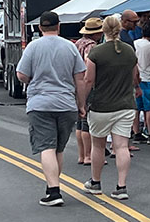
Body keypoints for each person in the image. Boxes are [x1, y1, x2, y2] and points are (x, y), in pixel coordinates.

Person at [16, 11, 86, 207]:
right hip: (66, 104)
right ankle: (51, 185)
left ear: (40, 27)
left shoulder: (33, 47)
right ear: (59, 26)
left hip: (40, 103)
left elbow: (21, 74)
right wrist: (81, 104)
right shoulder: (70, 47)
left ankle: (54, 191)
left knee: (46, 147)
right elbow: (80, 78)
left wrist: (32, 78)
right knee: (58, 148)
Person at [82, 14, 139, 200]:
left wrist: (81, 102)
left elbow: (89, 80)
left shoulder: (96, 53)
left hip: (101, 106)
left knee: (98, 145)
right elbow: (135, 77)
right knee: (122, 146)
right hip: (125, 105)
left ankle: (96, 182)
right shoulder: (130, 51)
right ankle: (121, 186)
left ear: (103, 31)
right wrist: (136, 88)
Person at [74, 18, 102, 166]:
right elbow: (88, 66)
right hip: (86, 83)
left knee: (79, 121)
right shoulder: (92, 46)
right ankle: (88, 155)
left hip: (76, 83)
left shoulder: (78, 43)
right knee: (87, 121)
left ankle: (80, 154)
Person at [132, 26, 150, 144]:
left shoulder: (134, 43)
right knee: (149, 108)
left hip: (136, 78)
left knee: (136, 107)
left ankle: (136, 133)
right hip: (149, 78)